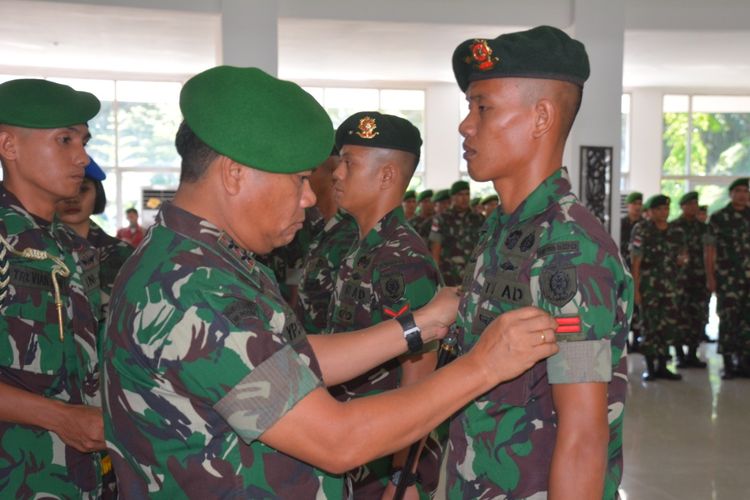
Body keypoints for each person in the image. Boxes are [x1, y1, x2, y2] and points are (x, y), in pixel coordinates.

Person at [101, 66, 559, 499]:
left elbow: (286, 357)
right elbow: (338, 441)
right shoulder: (193, 290)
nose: (310, 196)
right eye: (299, 179)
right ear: (234, 173)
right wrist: (484, 365)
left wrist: (419, 324)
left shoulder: (202, 259)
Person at [447, 26, 633, 499]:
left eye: (482, 107)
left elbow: (584, 435)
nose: (466, 125)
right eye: (469, 108)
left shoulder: (568, 249)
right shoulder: (504, 228)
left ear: (541, 117)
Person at [326, 111, 445, 498]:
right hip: (357, 446)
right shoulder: (364, 247)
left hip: (382, 462)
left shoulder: (402, 260)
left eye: (349, 163)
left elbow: (420, 377)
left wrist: (403, 477)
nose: (337, 174)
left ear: (387, 176)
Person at [0, 78, 106, 498]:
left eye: (83, 140)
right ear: (8, 146)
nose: (82, 156)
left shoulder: (69, 246)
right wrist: (60, 417)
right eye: (64, 140)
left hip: (80, 477)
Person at [56, 157, 134, 318]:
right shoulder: (33, 249)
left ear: (97, 194)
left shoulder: (125, 256)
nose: (73, 198)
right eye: (64, 188)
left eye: (83, 189)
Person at [295, 150, 358, 334]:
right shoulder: (304, 224)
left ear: (332, 172)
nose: (299, 179)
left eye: (306, 174)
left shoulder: (353, 234)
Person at [630, 194, 686, 380]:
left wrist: (681, 261)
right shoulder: (642, 229)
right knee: (649, 326)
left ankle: (663, 366)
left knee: (668, 326)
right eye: (660, 209)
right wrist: (635, 289)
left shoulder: (677, 231)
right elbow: (635, 261)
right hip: (649, 287)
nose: (664, 212)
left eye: (667, 209)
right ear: (652, 211)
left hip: (670, 286)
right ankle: (650, 368)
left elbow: (681, 257)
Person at [705, 178, 750, 379]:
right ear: (731, 193)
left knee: (747, 321)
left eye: (746, 191)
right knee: (729, 320)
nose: (742, 194)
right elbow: (709, 250)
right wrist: (710, 276)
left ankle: (744, 361)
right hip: (728, 278)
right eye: (738, 190)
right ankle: (728, 363)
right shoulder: (718, 218)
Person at [670, 191, 708, 368]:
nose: (693, 207)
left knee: (697, 317)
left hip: (699, 279)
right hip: (679, 281)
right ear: (682, 206)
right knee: (678, 317)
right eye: (689, 204)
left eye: (695, 204)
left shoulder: (703, 228)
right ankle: (679, 355)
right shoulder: (673, 227)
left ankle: (692, 354)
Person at [429, 180, 485, 286]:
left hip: (474, 275)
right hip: (449, 275)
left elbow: (485, 247)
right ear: (452, 197)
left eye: (467, 194)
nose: (464, 198)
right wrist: (435, 277)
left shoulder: (479, 219)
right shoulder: (441, 219)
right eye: (460, 195)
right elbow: (436, 249)